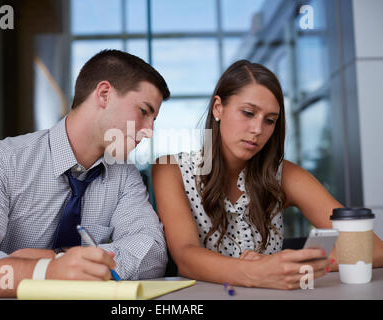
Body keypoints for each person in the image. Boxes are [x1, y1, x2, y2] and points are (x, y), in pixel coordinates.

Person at [0, 49, 170, 297]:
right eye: (144, 111)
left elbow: (152, 253)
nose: (149, 131)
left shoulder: (125, 176)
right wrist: (45, 272)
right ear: (104, 94)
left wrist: (59, 259)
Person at [152, 60, 383, 290]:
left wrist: (298, 265)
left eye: (270, 120)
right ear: (218, 108)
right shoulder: (170, 169)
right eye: (248, 113)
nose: (257, 130)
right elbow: (185, 257)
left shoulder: (284, 175)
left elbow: (373, 248)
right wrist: (258, 271)